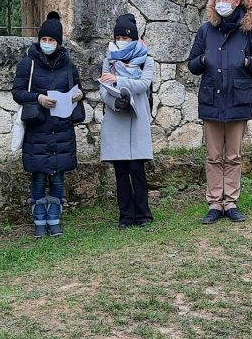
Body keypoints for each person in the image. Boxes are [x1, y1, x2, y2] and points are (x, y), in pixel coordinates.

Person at [187, 0, 252, 224]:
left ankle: (230, 201)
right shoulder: (205, 30)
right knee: (213, 156)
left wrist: (246, 62)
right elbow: (192, 65)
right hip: (211, 99)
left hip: (238, 100)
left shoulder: (251, 30)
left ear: (236, 2)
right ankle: (215, 203)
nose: (220, 2)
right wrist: (203, 59)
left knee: (233, 156)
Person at [13, 12, 85, 237]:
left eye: (51, 40)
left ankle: (54, 219)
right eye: (43, 40)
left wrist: (78, 95)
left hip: (62, 127)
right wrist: (38, 98)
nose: (47, 44)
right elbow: (17, 92)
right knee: (39, 174)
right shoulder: (28, 64)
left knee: (58, 174)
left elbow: (79, 89)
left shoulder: (69, 67)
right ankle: (38, 220)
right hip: (38, 127)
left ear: (59, 43)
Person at [98, 13, 155, 228]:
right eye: (119, 37)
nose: (122, 41)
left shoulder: (146, 59)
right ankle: (125, 215)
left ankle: (143, 214)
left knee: (136, 168)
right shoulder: (109, 59)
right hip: (116, 118)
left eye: (126, 38)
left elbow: (143, 84)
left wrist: (119, 80)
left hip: (137, 117)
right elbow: (103, 90)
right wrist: (115, 103)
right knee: (121, 170)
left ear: (134, 39)